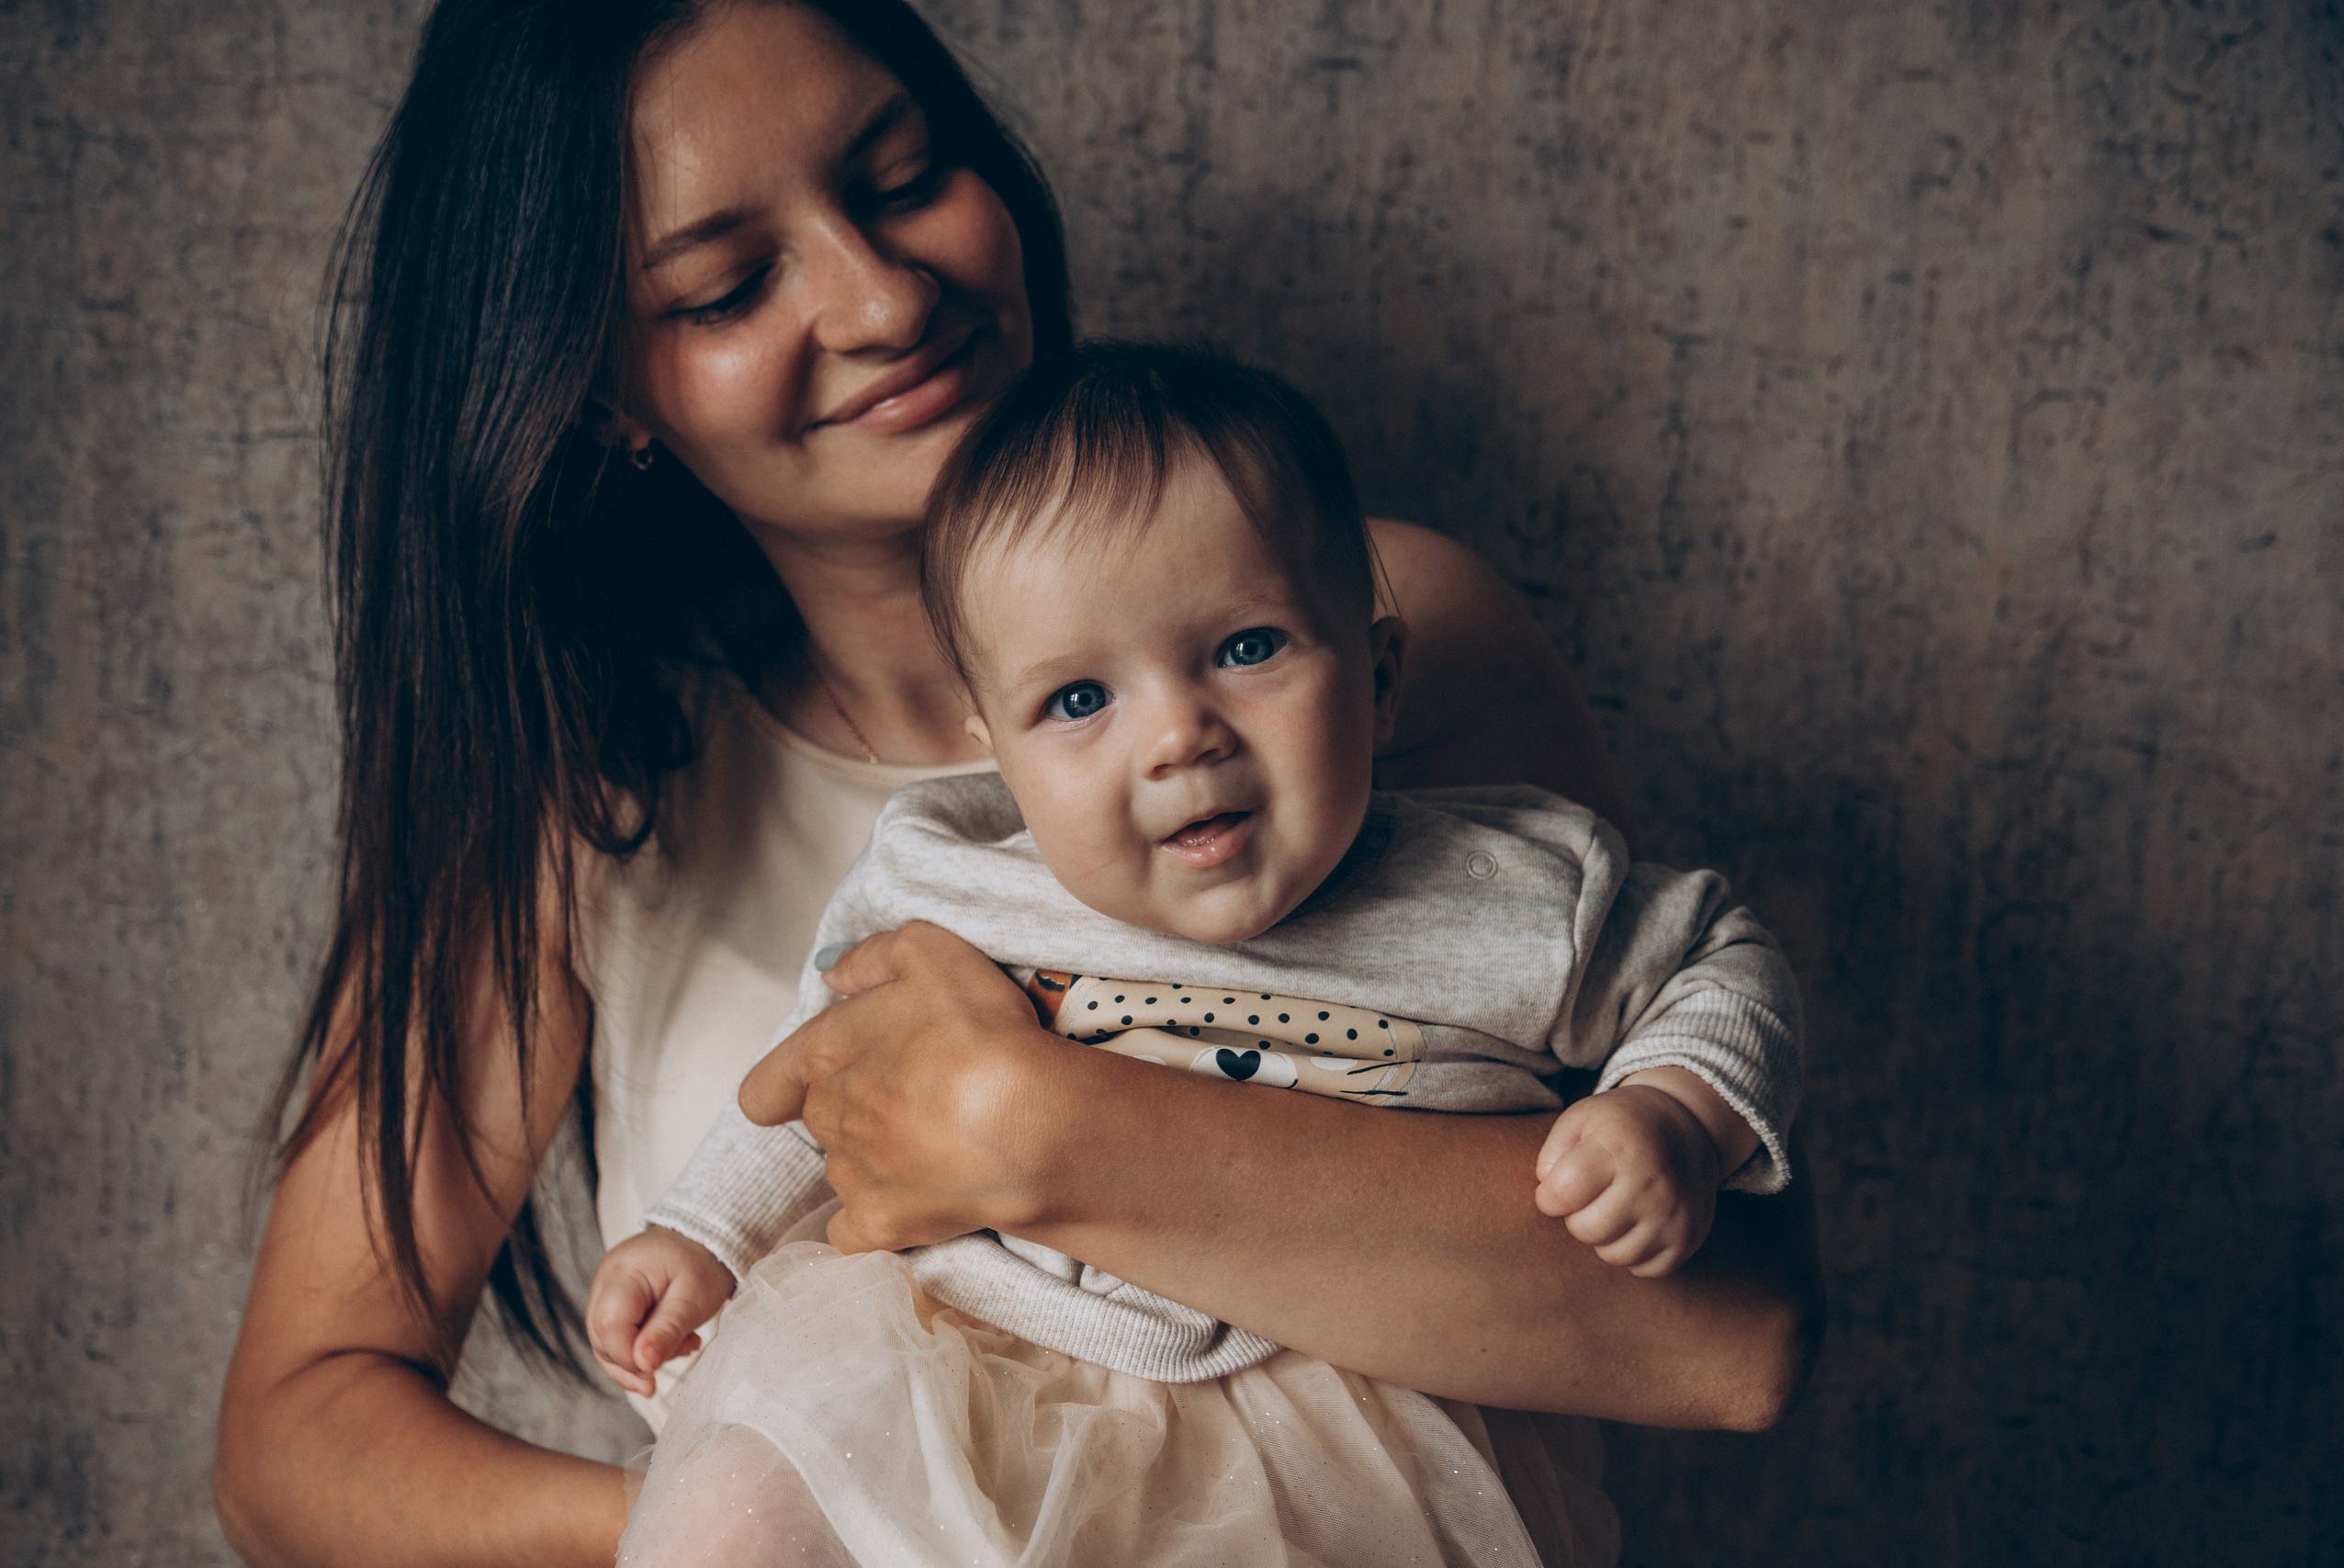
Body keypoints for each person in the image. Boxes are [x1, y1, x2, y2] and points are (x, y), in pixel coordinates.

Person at [211, 4, 1822, 1566]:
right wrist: (815, 1507)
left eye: (905, 178)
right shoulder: (600, 788)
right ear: (605, 390)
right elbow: (294, 1443)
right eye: (725, 286)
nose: (879, 296)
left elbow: (1726, 1338)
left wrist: (1042, 1128)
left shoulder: (1375, 633)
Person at [591, 343, 1804, 1565]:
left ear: (1379, 679)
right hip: (975, 1360)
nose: (1179, 736)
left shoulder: (1509, 888)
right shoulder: (957, 882)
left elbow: (1718, 959)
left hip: (1337, 1413)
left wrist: (1674, 1109)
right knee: (727, 1509)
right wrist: (704, 1233)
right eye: (1078, 701)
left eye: (1246, 648)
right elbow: (824, 1076)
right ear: (995, 755)